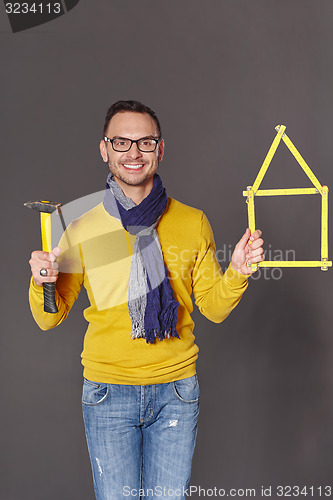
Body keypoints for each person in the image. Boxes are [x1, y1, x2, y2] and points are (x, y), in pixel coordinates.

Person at [28, 100, 264, 500]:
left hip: (176, 391)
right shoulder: (80, 223)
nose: (133, 153)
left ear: (161, 149)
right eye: (121, 142)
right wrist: (41, 282)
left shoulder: (192, 222)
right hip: (107, 390)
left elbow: (213, 308)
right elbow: (49, 319)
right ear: (104, 149)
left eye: (145, 142)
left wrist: (238, 271)